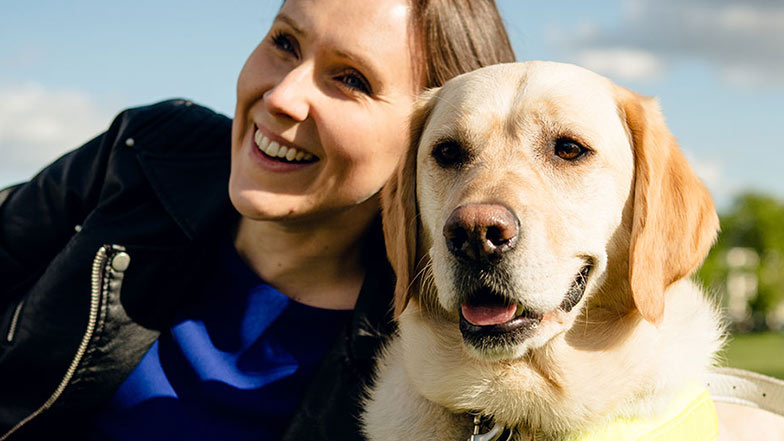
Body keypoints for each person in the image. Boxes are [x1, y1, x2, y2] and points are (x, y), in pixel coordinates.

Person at [0, 0, 514, 440]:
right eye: (285, 43)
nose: (282, 97)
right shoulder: (148, 153)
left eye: (350, 79)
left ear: (437, 142)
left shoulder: (444, 346)